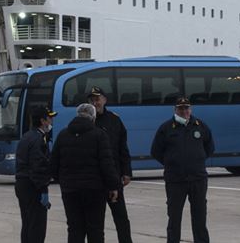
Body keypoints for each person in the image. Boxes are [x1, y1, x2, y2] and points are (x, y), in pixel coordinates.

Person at [50, 103, 120, 243]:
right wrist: (113, 186)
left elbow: (53, 164)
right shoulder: (99, 135)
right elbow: (107, 164)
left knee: (74, 228)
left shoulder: (63, 135)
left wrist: (64, 181)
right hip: (94, 190)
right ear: (93, 118)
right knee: (95, 229)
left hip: (70, 190)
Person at [150, 97, 215, 243]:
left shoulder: (200, 126)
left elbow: (209, 148)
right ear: (175, 110)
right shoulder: (166, 128)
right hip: (175, 180)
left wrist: (196, 161)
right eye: (181, 108)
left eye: (186, 108)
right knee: (174, 217)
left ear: (190, 109)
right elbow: (156, 151)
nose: (184, 111)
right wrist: (171, 163)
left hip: (197, 178)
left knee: (200, 217)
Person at [87, 87, 134, 243]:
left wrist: (127, 172)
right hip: (94, 179)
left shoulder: (114, 120)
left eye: (98, 99)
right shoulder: (86, 121)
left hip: (114, 177)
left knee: (121, 218)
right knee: (96, 221)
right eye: (92, 100)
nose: (95, 102)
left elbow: (123, 148)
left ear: (104, 100)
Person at [15, 106, 56, 243]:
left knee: (27, 224)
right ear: (43, 121)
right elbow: (38, 167)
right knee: (37, 226)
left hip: (22, 184)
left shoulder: (26, 136)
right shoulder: (39, 139)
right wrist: (43, 189)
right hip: (33, 186)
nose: (51, 122)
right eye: (49, 118)